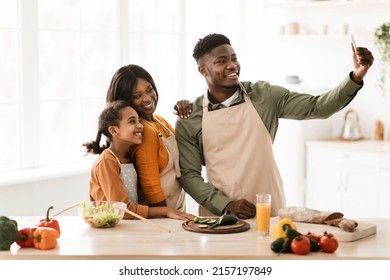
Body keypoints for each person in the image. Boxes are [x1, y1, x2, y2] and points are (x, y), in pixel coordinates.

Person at [174, 33, 374, 219]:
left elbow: (318, 107)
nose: (232, 65)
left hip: (269, 212)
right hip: (220, 219)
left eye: (234, 58)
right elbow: (190, 176)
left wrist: (356, 76)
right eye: (221, 61)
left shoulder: (265, 96)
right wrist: (226, 204)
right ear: (202, 70)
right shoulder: (190, 117)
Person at [83, 100, 193, 221]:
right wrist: (165, 210)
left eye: (139, 120)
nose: (140, 125)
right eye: (132, 121)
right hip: (112, 232)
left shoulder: (126, 158)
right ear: (113, 131)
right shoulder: (107, 161)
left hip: (127, 227)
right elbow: (121, 209)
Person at [105, 65, 188, 212]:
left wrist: (186, 116)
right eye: (137, 96)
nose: (148, 98)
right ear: (125, 102)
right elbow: (151, 188)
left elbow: (187, 151)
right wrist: (166, 217)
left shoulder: (159, 120)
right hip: (163, 215)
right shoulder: (145, 131)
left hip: (176, 210)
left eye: (149, 89)